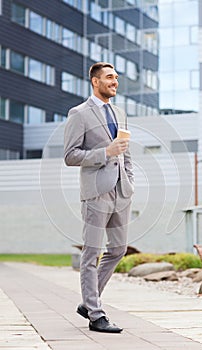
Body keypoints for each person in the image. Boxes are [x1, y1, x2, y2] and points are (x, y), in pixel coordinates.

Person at [64, 62, 134, 333]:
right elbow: (71, 156)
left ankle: (87, 302)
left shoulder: (119, 112)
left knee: (118, 249)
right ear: (95, 81)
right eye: (109, 77)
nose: (114, 81)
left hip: (121, 191)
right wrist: (106, 152)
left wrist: (129, 179)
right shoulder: (79, 113)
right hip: (95, 193)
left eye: (116, 77)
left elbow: (125, 151)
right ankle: (95, 314)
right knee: (92, 252)